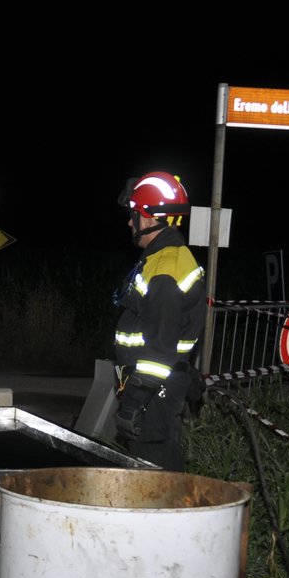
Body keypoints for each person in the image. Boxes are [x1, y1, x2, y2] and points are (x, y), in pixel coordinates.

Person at [112, 171, 206, 471]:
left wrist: (134, 401)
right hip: (158, 388)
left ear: (151, 219)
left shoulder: (165, 269)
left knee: (153, 479)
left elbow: (161, 350)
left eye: (134, 215)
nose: (130, 222)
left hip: (155, 392)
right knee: (163, 471)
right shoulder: (164, 259)